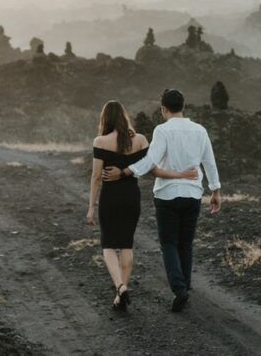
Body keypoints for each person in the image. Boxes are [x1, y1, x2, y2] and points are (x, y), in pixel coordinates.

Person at [102, 88, 222, 312]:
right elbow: (210, 161)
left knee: (168, 243)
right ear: (183, 107)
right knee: (185, 243)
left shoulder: (162, 130)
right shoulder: (200, 130)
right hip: (193, 193)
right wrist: (215, 190)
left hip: (167, 195)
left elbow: (151, 160)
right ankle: (184, 285)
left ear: (163, 109)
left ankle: (179, 289)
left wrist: (124, 172)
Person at [87, 100, 198, 311]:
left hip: (110, 198)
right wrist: (182, 174)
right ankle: (121, 296)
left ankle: (120, 287)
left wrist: (91, 206)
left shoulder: (100, 141)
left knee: (109, 246)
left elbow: (95, 177)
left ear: (105, 119)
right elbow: (151, 169)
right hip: (131, 197)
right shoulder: (140, 140)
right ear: (124, 117)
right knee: (126, 245)